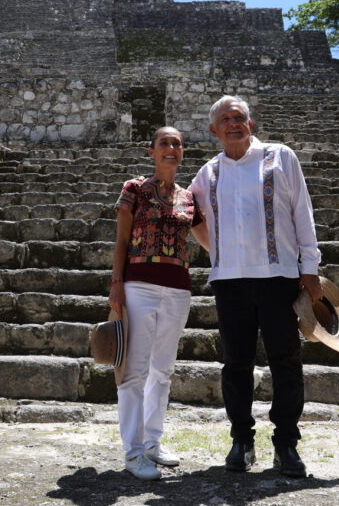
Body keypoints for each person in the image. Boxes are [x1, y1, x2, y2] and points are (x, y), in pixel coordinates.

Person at [189, 95, 323, 478]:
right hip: (229, 281)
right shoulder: (207, 172)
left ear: (251, 123)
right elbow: (190, 213)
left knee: (286, 361)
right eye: (225, 119)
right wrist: (217, 250)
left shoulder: (280, 157)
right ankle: (241, 441)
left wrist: (309, 269)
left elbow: (302, 211)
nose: (234, 123)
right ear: (214, 130)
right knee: (236, 364)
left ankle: (286, 444)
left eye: (240, 117)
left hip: (279, 276)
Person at [109, 126, 206, 481]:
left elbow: (209, 241)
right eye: (164, 143)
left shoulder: (190, 198)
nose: (171, 148)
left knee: (162, 370)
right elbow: (121, 241)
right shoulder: (134, 189)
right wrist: (116, 283)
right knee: (134, 371)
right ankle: (133, 453)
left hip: (179, 289)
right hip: (139, 286)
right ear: (151, 151)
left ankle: (152, 443)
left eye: (177, 144)